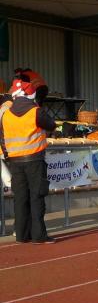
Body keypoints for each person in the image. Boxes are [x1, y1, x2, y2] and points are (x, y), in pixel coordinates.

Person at [0, 79, 56, 243]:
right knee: (36, 196)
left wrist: (9, 157)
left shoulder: (6, 115)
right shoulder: (36, 111)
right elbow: (51, 125)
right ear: (31, 95)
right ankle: (38, 235)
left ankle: (22, 234)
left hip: (15, 161)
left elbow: (2, 140)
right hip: (34, 159)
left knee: (20, 198)